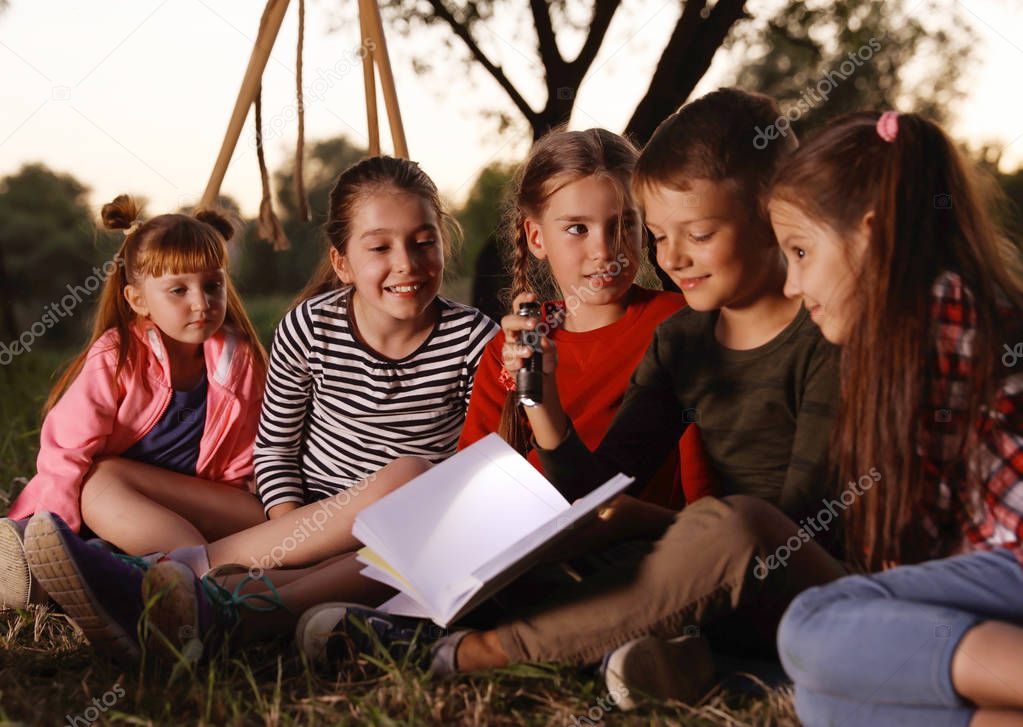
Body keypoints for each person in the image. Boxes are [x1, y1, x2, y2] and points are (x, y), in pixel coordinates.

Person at [298, 88, 848, 710]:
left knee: (732, 526)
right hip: (692, 575)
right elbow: (602, 485)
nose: (669, 257)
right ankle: (641, 656)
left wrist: (657, 524)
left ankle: (464, 652)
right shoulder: (683, 339)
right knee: (553, 544)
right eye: (661, 235)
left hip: (803, 588)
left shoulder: (824, 336)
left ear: (770, 214)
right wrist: (544, 404)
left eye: (693, 233)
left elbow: (796, 535)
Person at [19, 157, 499, 666]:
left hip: (403, 526)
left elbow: (480, 467)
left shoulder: (474, 340)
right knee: (103, 478)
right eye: (380, 247)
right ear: (341, 262)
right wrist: (295, 527)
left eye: (425, 242)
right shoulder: (310, 327)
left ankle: (177, 581)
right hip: (293, 513)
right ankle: (116, 567)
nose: (406, 263)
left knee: (412, 477)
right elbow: (274, 446)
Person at [771, 111, 1023, 726]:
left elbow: (918, 534)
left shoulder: (940, 310)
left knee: (812, 624)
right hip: (1002, 570)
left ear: (871, 234)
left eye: (802, 251)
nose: (791, 282)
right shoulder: (919, 324)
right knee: (825, 696)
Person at [0, 196, 267, 610]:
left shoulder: (239, 359)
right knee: (96, 482)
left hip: (201, 501)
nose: (201, 302)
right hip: (117, 505)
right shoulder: (117, 356)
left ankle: (185, 568)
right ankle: (173, 572)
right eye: (178, 289)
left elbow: (244, 456)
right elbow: (67, 452)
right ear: (138, 300)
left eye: (213, 285)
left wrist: (229, 517)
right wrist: (52, 526)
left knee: (257, 516)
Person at [458, 127, 714, 509]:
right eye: (578, 228)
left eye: (624, 224)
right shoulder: (510, 348)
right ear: (537, 237)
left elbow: (702, 496)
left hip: (636, 548)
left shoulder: (678, 324)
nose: (604, 250)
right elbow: (472, 485)